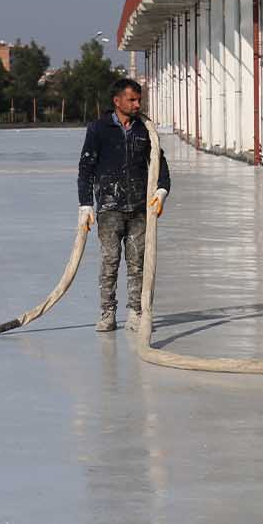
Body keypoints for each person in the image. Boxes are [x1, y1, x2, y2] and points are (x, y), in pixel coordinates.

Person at [77, 78, 171, 333]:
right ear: (117, 101)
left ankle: (136, 312)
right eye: (132, 99)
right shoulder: (99, 129)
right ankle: (107, 313)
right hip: (109, 208)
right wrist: (85, 205)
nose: (137, 104)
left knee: (138, 263)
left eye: (139, 99)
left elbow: (160, 164)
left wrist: (161, 191)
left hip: (140, 208)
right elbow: (86, 168)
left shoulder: (145, 130)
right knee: (110, 262)